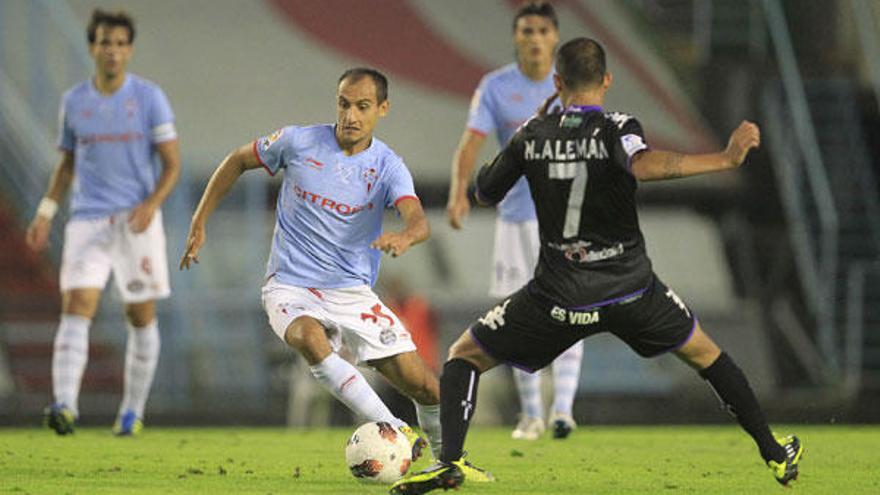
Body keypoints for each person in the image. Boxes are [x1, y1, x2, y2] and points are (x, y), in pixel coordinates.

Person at [391, 38, 803, 494]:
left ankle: (450, 462)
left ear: (557, 82)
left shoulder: (533, 133)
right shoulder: (619, 126)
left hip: (558, 297)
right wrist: (724, 159)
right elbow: (644, 166)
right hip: (633, 291)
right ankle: (773, 451)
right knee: (709, 356)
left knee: (463, 357)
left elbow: (485, 192)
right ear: (607, 80)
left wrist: (533, 129)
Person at [179, 68, 485, 479]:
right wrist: (200, 220)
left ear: (382, 109)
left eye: (362, 107)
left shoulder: (387, 166)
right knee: (308, 336)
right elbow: (237, 160)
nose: (351, 116)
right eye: (344, 104)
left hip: (352, 293)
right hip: (290, 286)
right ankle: (395, 429)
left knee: (427, 387)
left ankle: (448, 463)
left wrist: (405, 238)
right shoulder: (298, 141)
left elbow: (419, 220)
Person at [26, 8, 181, 436]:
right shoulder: (74, 102)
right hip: (88, 219)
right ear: (92, 47)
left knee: (140, 315)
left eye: (119, 44)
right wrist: (45, 211)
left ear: (129, 50)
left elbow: (172, 165)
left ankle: (132, 411)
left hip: (136, 221)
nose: (111, 51)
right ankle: (64, 405)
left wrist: (151, 204)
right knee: (77, 307)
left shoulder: (150, 98)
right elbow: (68, 165)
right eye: (104, 43)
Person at [447, 1, 582, 440]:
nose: (535, 38)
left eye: (542, 30)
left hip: (567, 218)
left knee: (573, 311)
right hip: (516, 219)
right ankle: (531, 413)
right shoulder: (496, 87)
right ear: (516, 36)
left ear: (555, 36)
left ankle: (562, 409)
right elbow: (471, 143)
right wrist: (459, 194)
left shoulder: (573, 86)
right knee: (519, 316)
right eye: (526, 30)